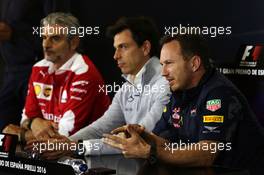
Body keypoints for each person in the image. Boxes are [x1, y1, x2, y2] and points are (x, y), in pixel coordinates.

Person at [103, 34, 264, 169]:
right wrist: (144, 135)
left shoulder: (219, 93)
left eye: (169, 64)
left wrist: (149, 152)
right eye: (161, 65)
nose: (163, 73)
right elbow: (166, 141)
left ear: (194, 63)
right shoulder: (179, 91)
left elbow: (206, 154)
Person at [25, 16, 171, 160]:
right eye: (115, 48)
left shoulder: (165, 84)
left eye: (123, 47)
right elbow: (100, 128)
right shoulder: (127, 87)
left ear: (145, 47)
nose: (115, 56)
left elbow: (137, 139)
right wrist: (65, 143)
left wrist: (75, 147)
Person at [3, 12, 110, 142]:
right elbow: (26, 118)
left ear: (74, 42)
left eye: (55, 38)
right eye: (44, 37)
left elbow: (66, 135)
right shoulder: (38, 68)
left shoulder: (84, 73)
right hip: (50, 152)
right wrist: (34, 122)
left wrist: (21, 135)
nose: (46, 44)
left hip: (87, 154)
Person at [0, 0, 71, 131]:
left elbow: (60, 30)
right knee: (6, 130)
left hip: (37, 70)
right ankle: (6, 152)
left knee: (38, 129)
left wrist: (14, 33)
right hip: (10, 71)